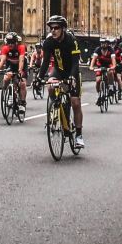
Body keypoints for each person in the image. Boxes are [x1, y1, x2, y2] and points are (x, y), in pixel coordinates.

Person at [38, 15, 84, 150]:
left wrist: (71, 78)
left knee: (75, 102)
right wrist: (39, 78)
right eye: (51, 28)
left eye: (56, 28)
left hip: (72, 72)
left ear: (63, 28)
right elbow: (46, 62)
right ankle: (55, 107)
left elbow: (76, 63)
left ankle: (79, 135)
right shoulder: (48, 42)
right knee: (51, 88)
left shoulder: (71, 40)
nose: (53, 31)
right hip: (59, 70)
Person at [0, 31, 27, 114]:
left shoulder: (21, 47)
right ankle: (8, 93)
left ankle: (22, 103)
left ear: (16, 42)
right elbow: (2, 60)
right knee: (6, 78)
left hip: (21, 65)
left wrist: (20, 71)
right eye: (8, 42)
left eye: (12, 42)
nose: (10, 44)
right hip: (11, 65)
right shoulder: (5, 48)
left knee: (22, 83)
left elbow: (21, 60)